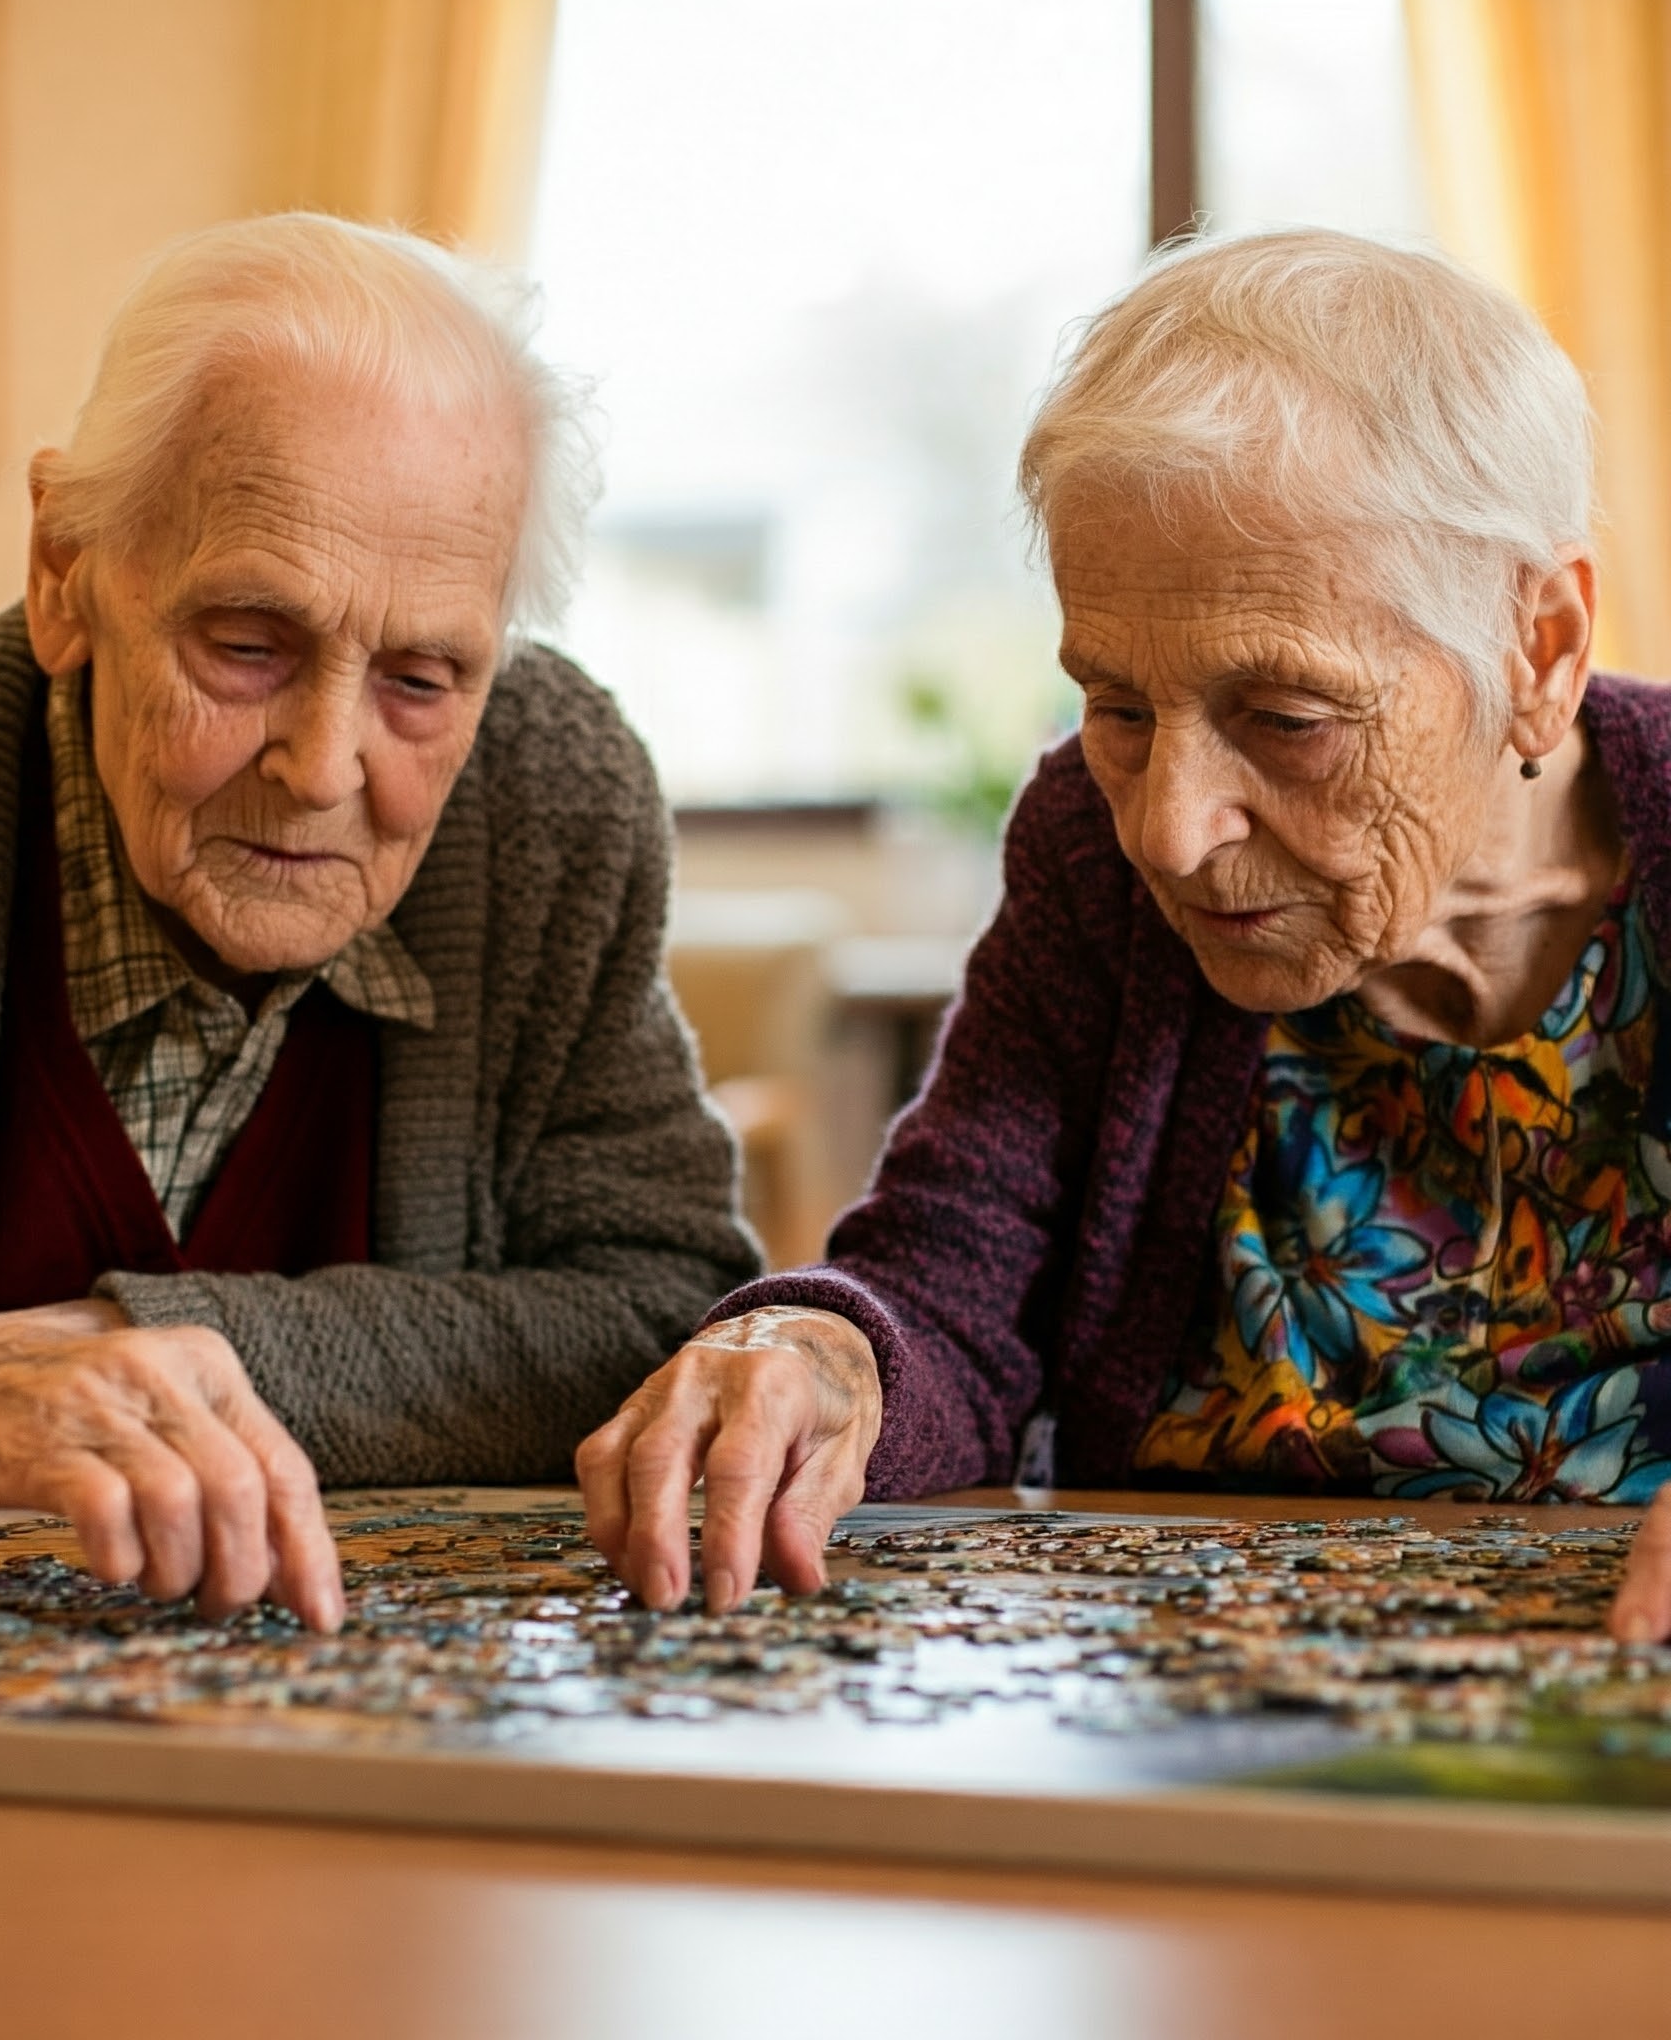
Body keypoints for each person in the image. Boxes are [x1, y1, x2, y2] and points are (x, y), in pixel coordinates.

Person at [0, 213, 757, 1626]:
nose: (326, 763)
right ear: (65, 571)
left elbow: (660, 1309)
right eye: (247, 645)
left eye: (422, 677)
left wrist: (133, 1345)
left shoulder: (549, 802)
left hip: (383, 1752)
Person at [580, 229, 1671, 1643]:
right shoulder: (1092, 853)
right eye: (1119, 709)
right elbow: (953, 1283)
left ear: (1538, 651)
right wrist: (821, 1352)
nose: (1167, 827)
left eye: (1286, 719)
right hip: (1178, 1738)